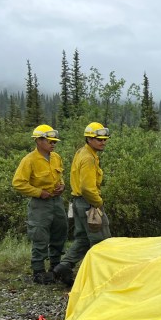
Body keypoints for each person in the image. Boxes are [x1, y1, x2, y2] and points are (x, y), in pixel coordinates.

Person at [53, 122, 111, 287]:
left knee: (83, 240)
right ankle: (101, 278)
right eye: (99, 139)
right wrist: (98, 203)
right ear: (89, 139)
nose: (103, 142)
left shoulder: (83, 152)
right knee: (102, 241)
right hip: (89, 204)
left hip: (79, 203)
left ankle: (64, 267)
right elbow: (87, 187)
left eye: (104, 139)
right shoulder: (88, 158)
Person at [12, 125, 68, 284]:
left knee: (60, 232)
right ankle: (38, 271)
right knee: (40, 236)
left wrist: (62, 186)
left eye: (54, 141)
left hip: (56, 202)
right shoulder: (29, 160)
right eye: (49, 141)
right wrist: (38, 192)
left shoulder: (56, 157)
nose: (53, 144)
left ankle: (55, 268)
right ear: (38, 140)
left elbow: (60, 176)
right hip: (40, 204)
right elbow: (18, 183)